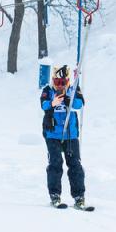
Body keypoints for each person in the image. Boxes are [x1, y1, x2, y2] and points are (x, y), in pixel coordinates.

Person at [40, 65, 88, 209]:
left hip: (70, 134)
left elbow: (80, 104)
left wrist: (70, 100)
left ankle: (79, 196)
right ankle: (55, 195)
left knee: (75, 165)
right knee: (55, 163)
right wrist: (52, 104)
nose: (60, 85)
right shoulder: (48, 91)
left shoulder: (72, 90)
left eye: (63, 82)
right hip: (53, 134)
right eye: (57, 82)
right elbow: (43, 105)